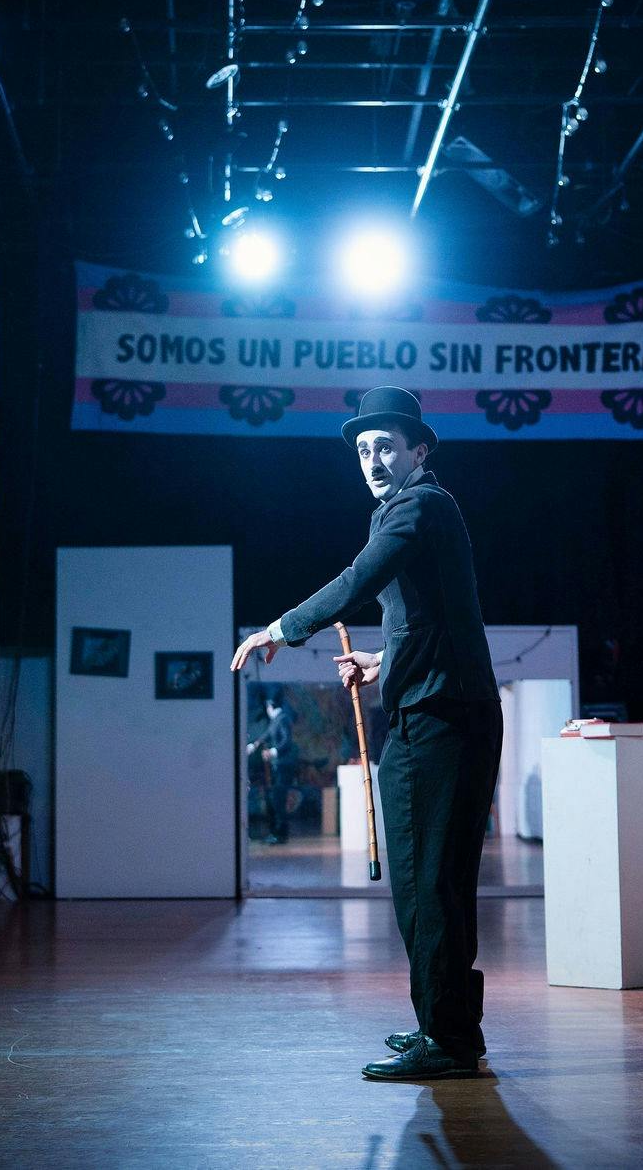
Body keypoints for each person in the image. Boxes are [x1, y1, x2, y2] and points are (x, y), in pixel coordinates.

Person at [232, 386, 502, 1081]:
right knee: (429, 883)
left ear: (418, 450)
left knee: (427, 883)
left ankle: (447, 1038)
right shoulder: (413, 512)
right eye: (363, 450)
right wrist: (386, 659)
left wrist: (282, 629)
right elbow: (433, 620)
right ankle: (445, 1027)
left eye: (386, 446)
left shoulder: (419, 506)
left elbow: (359, 581)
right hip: (438, 709)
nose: (374, 459)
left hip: (440, 719)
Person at [244, 697, 300, 845]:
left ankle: (280, 834)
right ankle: (277, 832)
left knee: (279, 799)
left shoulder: (282, 719)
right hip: (278, 766)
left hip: (283, 765)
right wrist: (254, 745)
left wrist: (273, 752)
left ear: (270, 707)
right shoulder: (277, 720)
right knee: (276, 799)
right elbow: (267, 735)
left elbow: (286, 741)